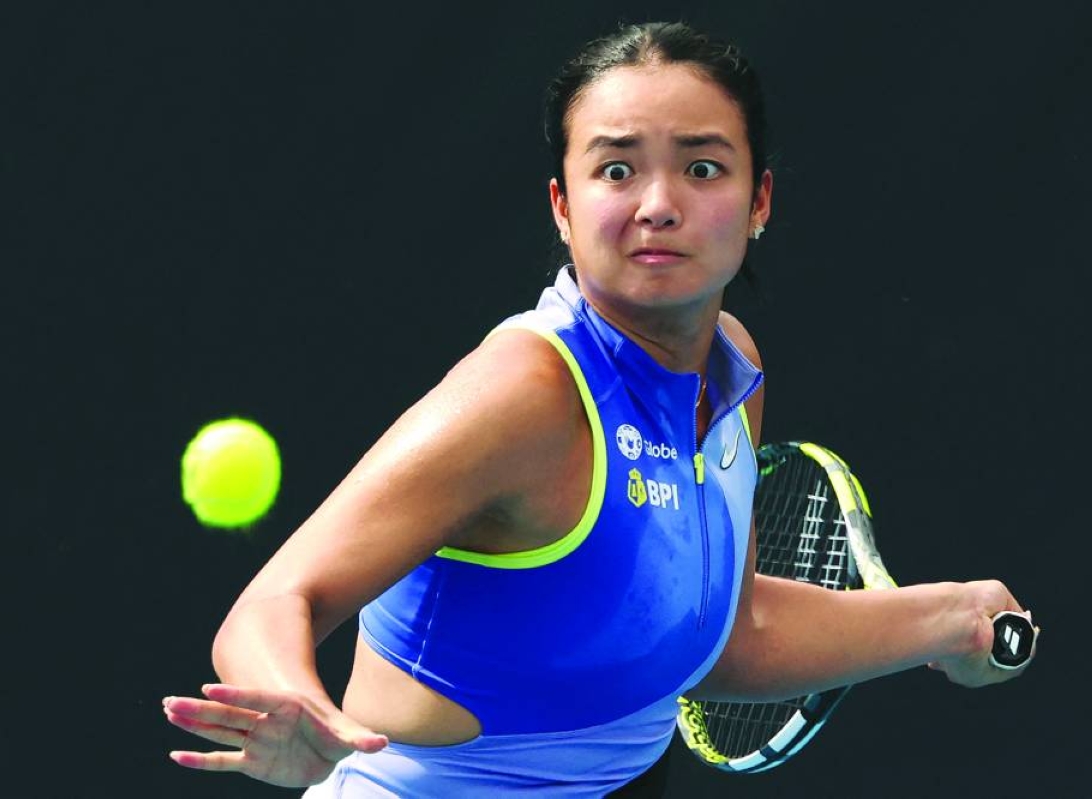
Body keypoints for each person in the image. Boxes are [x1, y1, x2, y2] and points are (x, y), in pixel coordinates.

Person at [163, 20, 1035, 797]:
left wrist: (949, 618)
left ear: (759, 200)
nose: (659, 204)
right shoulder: (526, 395)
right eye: (617, 168)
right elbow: (279, 596)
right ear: (563, 206)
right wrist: (296, 704)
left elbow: (730, 638)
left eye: (702, 166)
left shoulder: (732, 371)